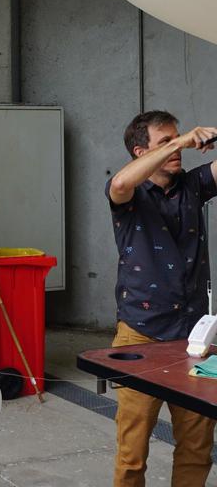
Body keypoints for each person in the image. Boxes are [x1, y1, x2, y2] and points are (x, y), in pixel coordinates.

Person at [106, 110, 217, 487]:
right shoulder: (128, 193)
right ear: (140, 152)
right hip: (141, 334)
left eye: (177, 139)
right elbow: (120, 180)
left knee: (197, 447)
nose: (177, 148)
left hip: (194, 340)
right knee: (132, 453)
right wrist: (183, 139)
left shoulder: (193, 185)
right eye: (165, 142)